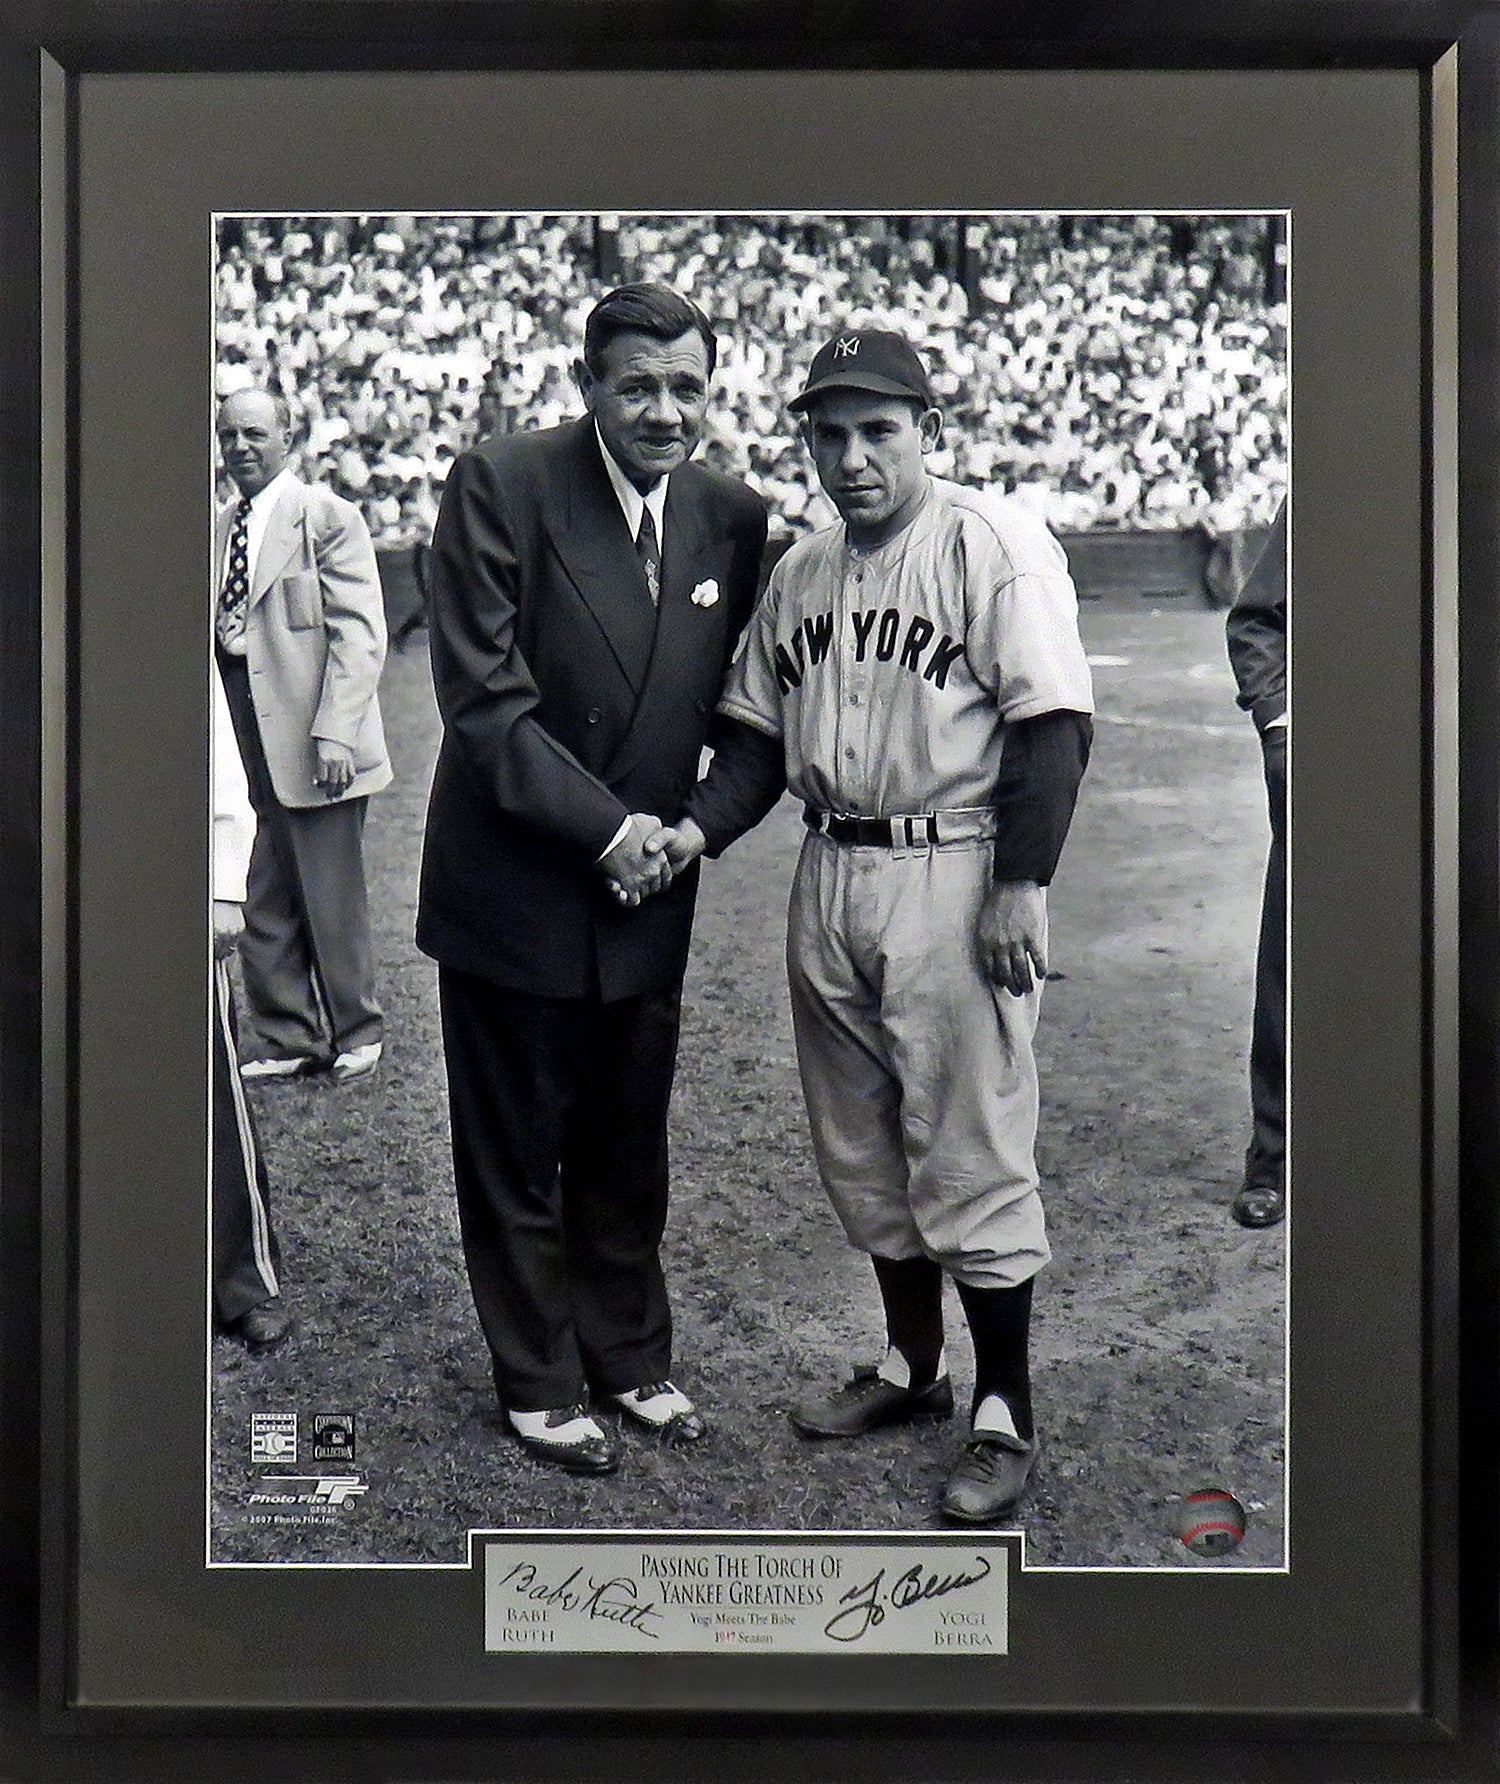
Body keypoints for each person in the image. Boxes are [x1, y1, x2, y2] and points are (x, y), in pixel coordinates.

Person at [662, 327, 1094, 1524]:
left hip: (954, 868)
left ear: (922, 429)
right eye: (830, 432)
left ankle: (1003, 1406)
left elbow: (1052, 723)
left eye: (877, 431)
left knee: (971, 1142)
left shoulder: (989, 541)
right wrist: (696, 830)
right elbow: (751, 741)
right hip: (830, 868)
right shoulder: (799, 570)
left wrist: (1023, 882)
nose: (851, 457)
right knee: (861, 1145)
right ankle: (914, 1367)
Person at [416, 283, 769, 1476]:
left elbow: (753, 718)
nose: (667, 411)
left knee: (627, 1143)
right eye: (639, 386)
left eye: (689, 387)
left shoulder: (733, 513)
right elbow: (483, 702)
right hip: (517, 885)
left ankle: (628, 1355)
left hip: (651, 892)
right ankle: (536, 1377)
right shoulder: (503, 482)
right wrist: (612, 830)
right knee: (516, 1144)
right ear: (587, 385)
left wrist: (694, 832)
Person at [213, 387, 393, 1085]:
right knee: (258, 884)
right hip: (239, 727)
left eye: (256, 433)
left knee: (329, 886)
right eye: (229, 435)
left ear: (289, 436)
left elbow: (360, 635)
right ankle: (288, 1033)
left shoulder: (326, 517)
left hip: (316, 735)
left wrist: (336, 734)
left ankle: (358, 1029)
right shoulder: (221, 523)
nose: (241, 447)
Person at [212, 662, 289, 1350]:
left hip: (162, 860)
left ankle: (245, 1279)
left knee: (208, 1075)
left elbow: (210, 732)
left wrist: (223, 878)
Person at [1225, 499, 1288, 1228]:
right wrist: (1279, 722)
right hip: (1343, 755)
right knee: (1294, 958)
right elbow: (1258, 618)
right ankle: (1273, 1155)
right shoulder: (1337, 477)